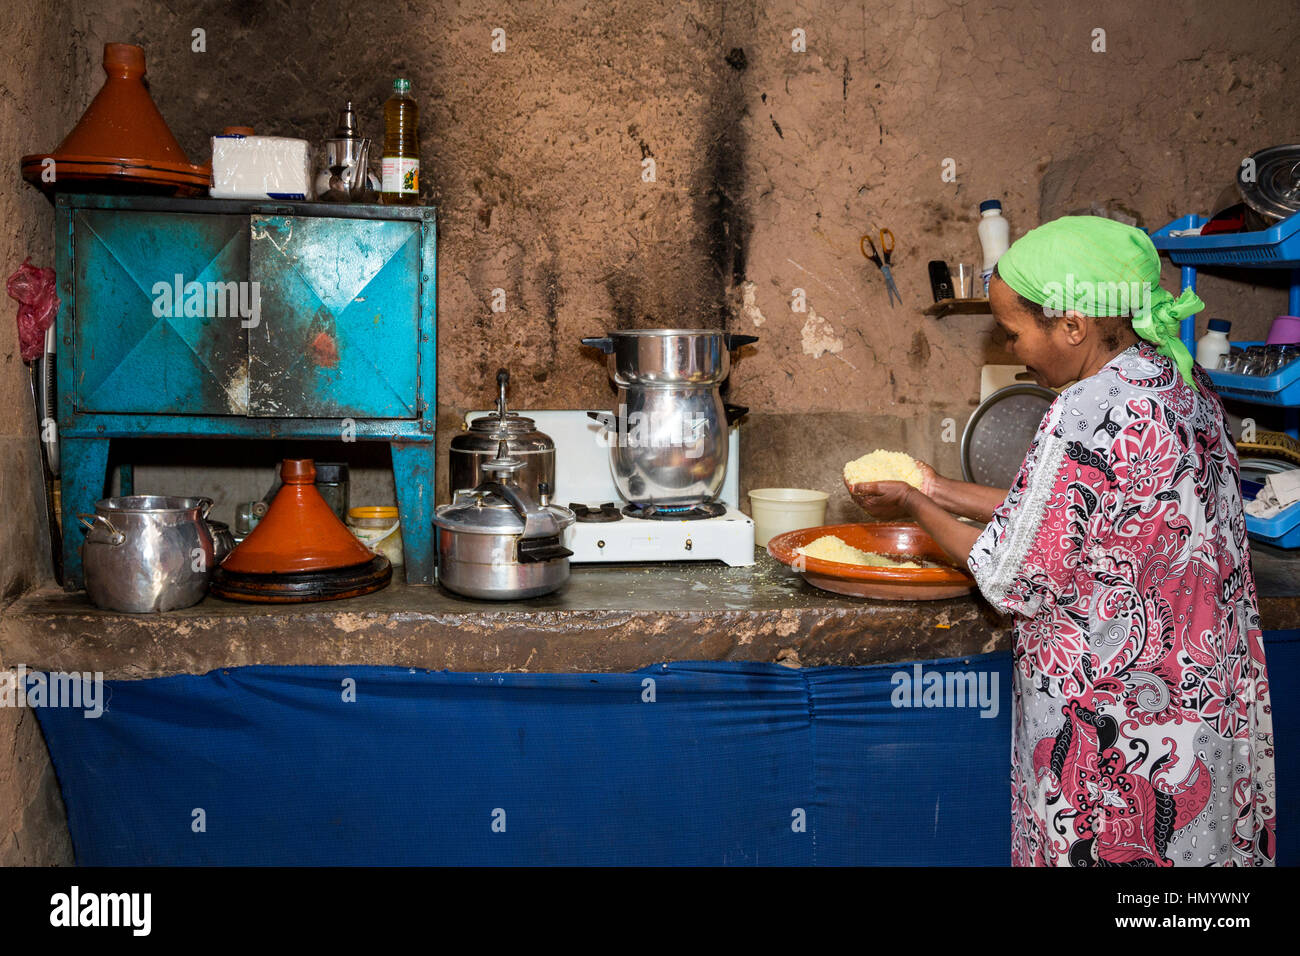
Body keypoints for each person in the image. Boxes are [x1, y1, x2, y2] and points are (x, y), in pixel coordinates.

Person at [847, 216, 1276, 866]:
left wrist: (909, 502)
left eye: (1015, 332)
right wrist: (936, 486)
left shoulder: (1083, 410)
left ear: (1072, 325)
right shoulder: (1184, 387)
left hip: (1114, 727)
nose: (1015, 352)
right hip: (1200, 705)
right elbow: (1070, 513)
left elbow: (1013, 574)